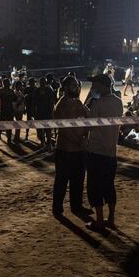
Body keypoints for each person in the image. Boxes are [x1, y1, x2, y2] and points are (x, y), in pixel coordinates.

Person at [84, 74, 123, 231]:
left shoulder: (99, 103)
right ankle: (111, 219)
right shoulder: (118, 102)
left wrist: (87, 108)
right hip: (111, 151)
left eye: (95, 85)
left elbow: (90, 125)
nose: (93, 88)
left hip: (96, 150)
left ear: (102, 85)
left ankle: (99, 220)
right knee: (109, 185)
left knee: (95, 186)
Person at [52, 76, 89, 217]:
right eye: (73, 85)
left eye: (77, 85)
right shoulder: (61, 105)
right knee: (62, 181)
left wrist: (85, 137)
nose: (76, 88)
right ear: (65, 88)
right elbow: (64, 129)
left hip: (79, 149)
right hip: (65, 150)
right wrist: (79, 142)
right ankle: (57, 209)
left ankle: (76, 206)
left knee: (78, 180)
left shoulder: (78, 103)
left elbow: (87, 118)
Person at [35, 77, 56, 149]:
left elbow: (52, 101)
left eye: (44, 82)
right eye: (42, 82)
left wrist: (51, 110)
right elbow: (34, 102)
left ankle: (49, 143)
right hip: (39, 112)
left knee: (48, 129)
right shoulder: (37, 91)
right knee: (40, 129)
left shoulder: (49, 90)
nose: (43, 84)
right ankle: (42, 142)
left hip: (47, 112)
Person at [0, 78, 15, 146]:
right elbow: (14, 99)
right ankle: (1, 141)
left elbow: (14, 98)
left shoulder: (2, 90)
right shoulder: (9, 91)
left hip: (6, 110)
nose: (8, 84)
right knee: (3, 127)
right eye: (8, 83)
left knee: (2, 127)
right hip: (6, 110)